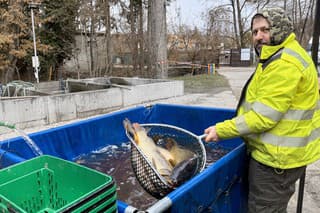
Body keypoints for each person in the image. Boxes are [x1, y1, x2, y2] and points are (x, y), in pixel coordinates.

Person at [204, 7, 320, 213]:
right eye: (255, 32)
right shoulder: (277, 55)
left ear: (280, 28)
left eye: (265, 30)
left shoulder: (285, 63)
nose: (259, 36)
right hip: (280, 155)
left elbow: (263, 117)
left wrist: (221, 130)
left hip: (276, 161)